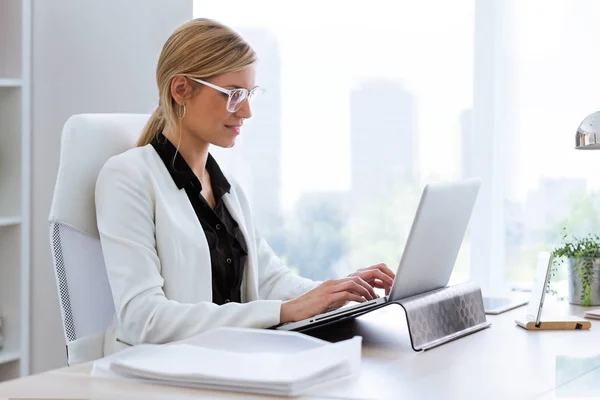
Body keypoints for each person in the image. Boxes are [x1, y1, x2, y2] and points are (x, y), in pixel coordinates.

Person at [95, 17, 395, 356]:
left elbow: (270, 280)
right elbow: (143, 318)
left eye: (249, 94)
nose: (247, 111)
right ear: (181, 89)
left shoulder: (228, 188)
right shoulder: (127, 177)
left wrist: (336, 292)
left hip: (231, 362)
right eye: (234, 95)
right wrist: (283, 312)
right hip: (159, 371)